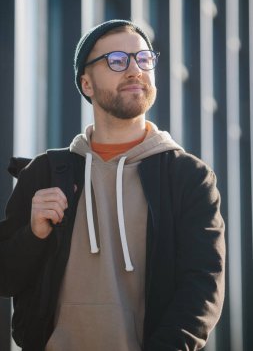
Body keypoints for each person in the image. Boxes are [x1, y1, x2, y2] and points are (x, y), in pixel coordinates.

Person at [0, 19, 225, 351]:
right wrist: (34, 235)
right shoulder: (45, 173)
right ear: (86, 84)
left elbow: (202, 289)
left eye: (143, 59)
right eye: (117, 61)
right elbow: (6, 277)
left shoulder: (188, 177)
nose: (135, 70)